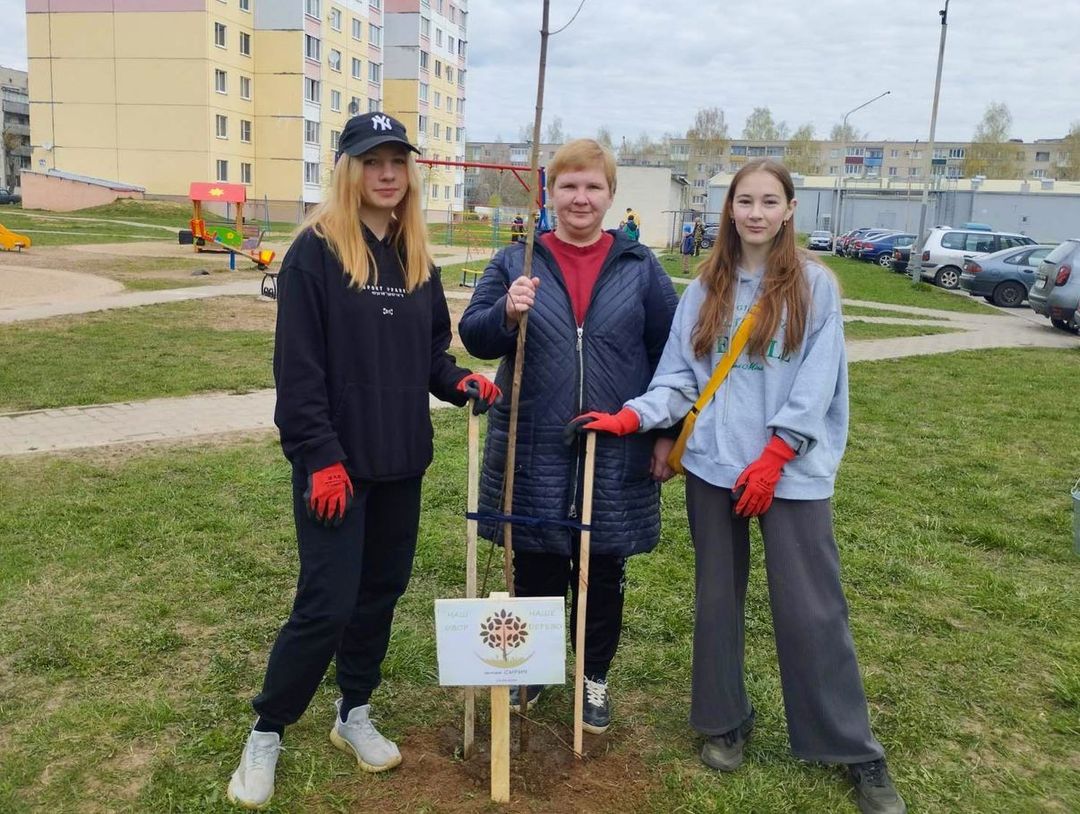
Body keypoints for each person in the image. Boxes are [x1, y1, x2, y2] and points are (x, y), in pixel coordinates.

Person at [572, 159, 906, 814]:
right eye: (743, 201)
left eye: (768, 201)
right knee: (717, 600)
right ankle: (724, 721)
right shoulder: (706, 287)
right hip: (716, 467)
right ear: (729, 210)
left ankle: (851, 747)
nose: (754, 212)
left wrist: (778, 453)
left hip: (790, 472)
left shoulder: (816, 286)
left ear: (788, 209)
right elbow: (679, 376)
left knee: (812, 609)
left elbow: (817, 383)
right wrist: (634, 417)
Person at [226, 111, 500, 810]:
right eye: (372, 161)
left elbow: (431, 353)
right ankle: (268, 728)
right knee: (326, 602)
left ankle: (354, 711)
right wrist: (319, 458)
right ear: (349, 169)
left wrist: (460, 380)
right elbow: (299, 371)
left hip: (401, 461)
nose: (386, 174)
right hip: (336, 470)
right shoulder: (316, 253)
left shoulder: (415, 258)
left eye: (397, 162)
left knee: (379, 592)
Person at [458, 138, 678, 735]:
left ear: (610, 195)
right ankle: (530, 668)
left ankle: (592, 678)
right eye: (568, 186)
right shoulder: (516, 261)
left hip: (613, 447)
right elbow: (475, 337)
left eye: (593, 187)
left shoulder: (640, 267)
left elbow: (672, 356)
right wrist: (507, 311)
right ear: (549, 193)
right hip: (532, 445)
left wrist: (666, 435)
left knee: (601, 570)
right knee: (534, 563)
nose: (580, 198)